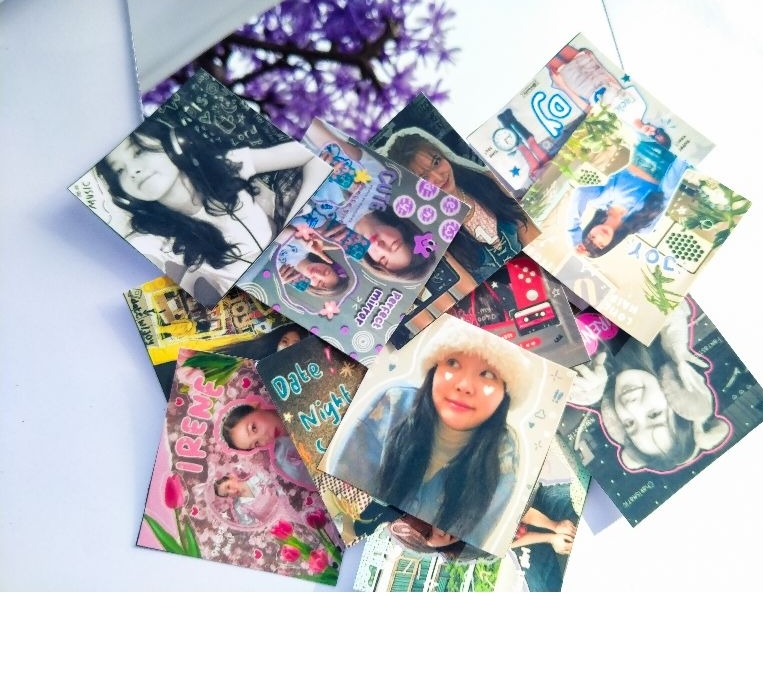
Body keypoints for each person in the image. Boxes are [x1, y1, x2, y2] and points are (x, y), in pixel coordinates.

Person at [323, 318, 530, 549]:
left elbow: (468, 545)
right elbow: (339, 496)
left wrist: (435, 545)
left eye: (488, 374)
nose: (464, 385)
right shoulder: (393, 404)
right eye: (453, 362)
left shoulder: (503, 454)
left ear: (505, 394)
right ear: (434, 368)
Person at [96, 116, 320, 306]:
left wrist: (293, 222)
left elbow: (314, 156)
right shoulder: (151, 239)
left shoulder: (225, 166)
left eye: (138, 152)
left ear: (174, 144)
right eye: (119, 170)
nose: (132, 171)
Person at [568, 299, 731, 472]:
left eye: (629, 423)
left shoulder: (593, 375)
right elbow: (659, 295)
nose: (630, 407)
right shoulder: (651, 330)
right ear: (677, 390)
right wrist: (674, 341)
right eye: (654, 414)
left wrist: (583, 384)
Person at [381, 127, 534, 280]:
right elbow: (470, 286)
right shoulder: (431, 238)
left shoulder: (486, 181)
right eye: (423, 178)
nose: (438, 177)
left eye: (436, 162)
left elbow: (525, 224)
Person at [301, 119, 440, 283]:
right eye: (394, 244)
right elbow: (316, 130)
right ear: (401, 229)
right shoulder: (380, 182)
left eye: (382, 259)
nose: (380, 247)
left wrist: (308, 235)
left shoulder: (329, 232)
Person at [566, 138, 690, 258]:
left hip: (649, 141)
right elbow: (667, 192)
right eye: (601, 244)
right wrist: (683, 157)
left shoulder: (601, 201)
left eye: (592, 236)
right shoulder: (642, 227)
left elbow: (580, 193)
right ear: (609, 245)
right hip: (672, 157)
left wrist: (573, 232)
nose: (600, 236)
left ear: (590, 228)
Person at [219, 402, 316, 489]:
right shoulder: (287, 459)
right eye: (256, 443)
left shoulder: (297, 398)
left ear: (256, 406)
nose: (264, 438)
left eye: (254, 428)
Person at [213, 471, 279, 526]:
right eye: (227, 493)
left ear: (231, 477)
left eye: (228, 486)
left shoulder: (257, 477)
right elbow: (250, 525)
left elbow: (277, 483)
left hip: (283, 502)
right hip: (275, 525)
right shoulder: (240, 506)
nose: (231, 491)